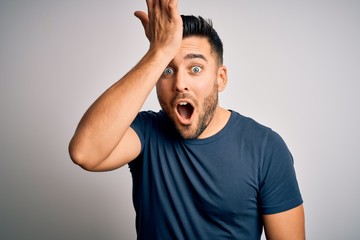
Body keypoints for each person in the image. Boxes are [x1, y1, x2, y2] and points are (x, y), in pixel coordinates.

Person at [69, 0, 305, 239]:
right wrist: (157, 53)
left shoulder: (266, 147)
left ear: (220, 78)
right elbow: (85, 153)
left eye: (195, 69)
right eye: (167, 71)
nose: (180, 84)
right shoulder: (145, 133)